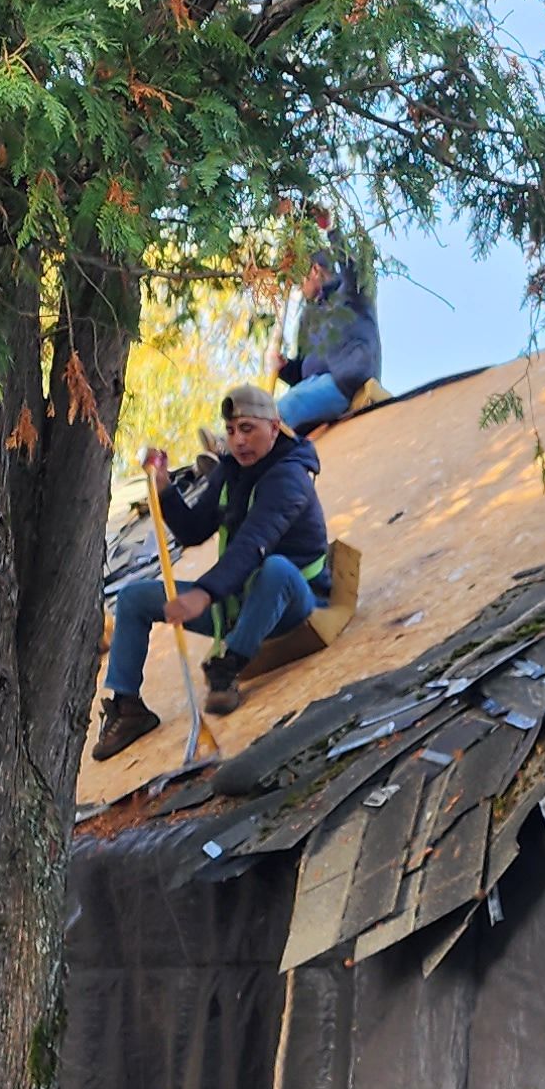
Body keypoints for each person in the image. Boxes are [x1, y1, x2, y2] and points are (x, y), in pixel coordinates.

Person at [97, 385, 334, 757]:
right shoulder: (231, 472)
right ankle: (127, 707)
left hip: (292, 598)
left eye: (247, 428)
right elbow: (192, 531)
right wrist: (165, 490)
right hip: (236, 600)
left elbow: (252, 544)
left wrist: (205, 592)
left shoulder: (291, 477)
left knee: (275, 568)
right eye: (231, 430)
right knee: (133, 597)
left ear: (274, 428)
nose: (238, 440)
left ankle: (228, 669)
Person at [272, 243, 382, 430]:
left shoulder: (351, 293)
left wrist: (331, 230)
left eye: (300, 280)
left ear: (315, 270)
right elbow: (301, 372)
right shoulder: (308, 317)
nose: (299, 288)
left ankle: (229, 449)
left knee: (286, 406)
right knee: (286, 427)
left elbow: (354, 268)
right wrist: (284, 368)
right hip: (312, 389)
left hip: (344, 382)